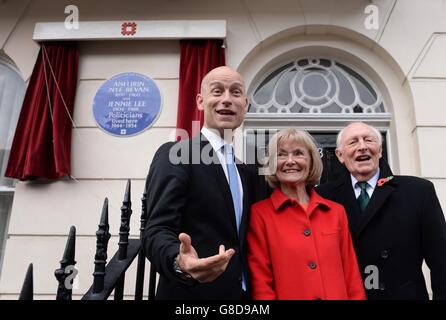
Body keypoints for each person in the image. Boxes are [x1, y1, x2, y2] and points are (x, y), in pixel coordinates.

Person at [143, 66, 257, 299]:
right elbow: (156, 230)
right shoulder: (176, 154)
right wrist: (179, 262)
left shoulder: (247, 172)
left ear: (245, 104)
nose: (226, 99)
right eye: (217, 91)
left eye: (235, 93)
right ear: (200, 101)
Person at [316, 122, 446, 300]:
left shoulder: (419, 191)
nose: (362, 147)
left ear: (380, 150)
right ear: (340, 155)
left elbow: (441, 261)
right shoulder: (322, 197)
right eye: (353, 142)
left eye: (368, 140)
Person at [247, 128, 366, 300]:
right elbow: (261, 284)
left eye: (298, 153)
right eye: (281, 155)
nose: (290, 161)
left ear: (311, 161)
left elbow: (351, 275)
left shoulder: (336, 212)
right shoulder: (259, 215)